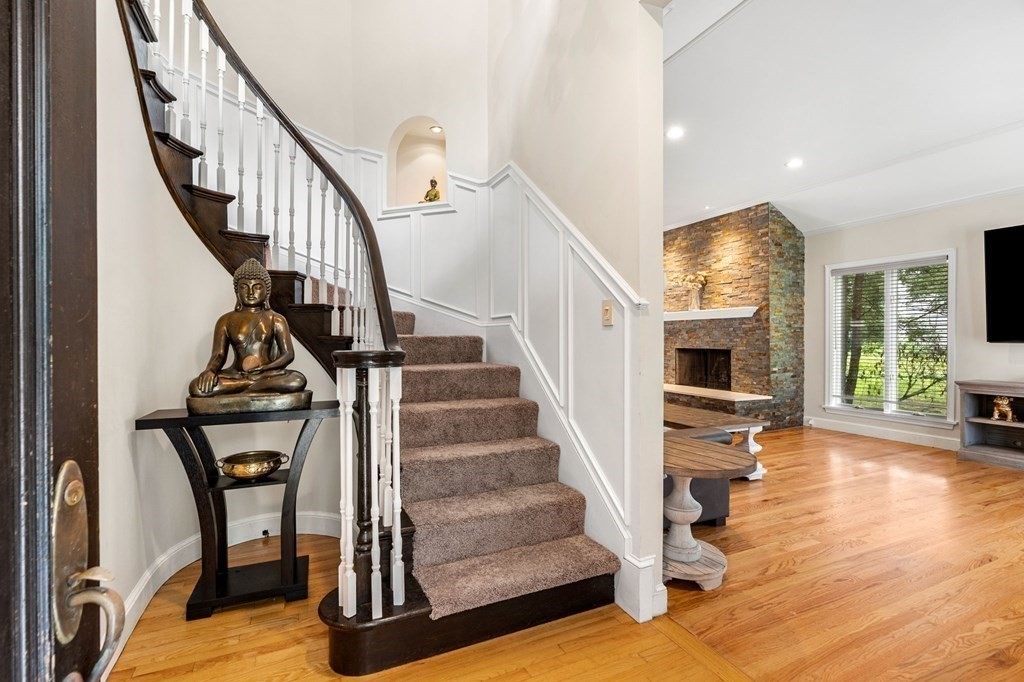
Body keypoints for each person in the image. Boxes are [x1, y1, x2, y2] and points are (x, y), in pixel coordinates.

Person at [189, 258, 307, 397]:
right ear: (237, 291)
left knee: (297, 380)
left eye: (257, 287)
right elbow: (218, 355)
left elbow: (288, 354)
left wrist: (264, 368)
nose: (251, 292)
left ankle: (245, 387)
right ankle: (251, 386)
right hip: (237, 374)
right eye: (244, 287)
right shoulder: (225, 320)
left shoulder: (276, 319)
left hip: (267, 374)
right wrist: (210, 370)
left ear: (267, 291)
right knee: (196, 387)